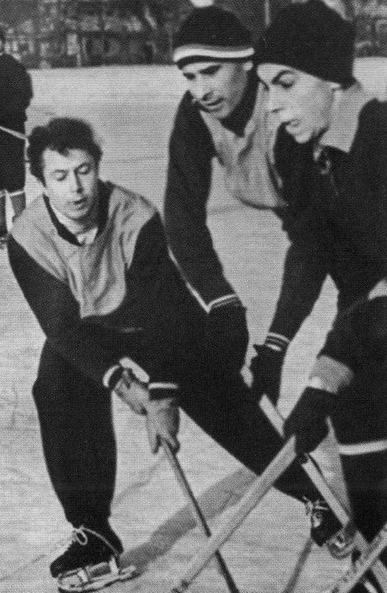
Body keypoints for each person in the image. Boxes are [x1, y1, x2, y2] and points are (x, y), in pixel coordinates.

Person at [8, 117, 336, 591]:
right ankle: (93, 531)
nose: (75, 188)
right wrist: (125, 385)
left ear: (97, 168)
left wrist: (162, 396)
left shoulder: (135, 215)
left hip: (158, 318)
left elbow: (163, 313)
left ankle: (311, 492)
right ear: (42, 181)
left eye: (83, 171)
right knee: (57, 385)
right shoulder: (27, 235)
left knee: (217, 393)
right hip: (88, 328)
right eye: (60, 176)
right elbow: (60, 327)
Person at [164, 4, 351, 557]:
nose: (200, 89)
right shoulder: (195, 115)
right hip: (320, 230)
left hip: (359, 226)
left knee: (356, 369)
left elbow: (314, 243)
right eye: (189, 75)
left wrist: (275, 344)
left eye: (212, 72)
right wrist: (221, 301)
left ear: (247, 64)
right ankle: (320, 494)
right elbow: (182, 220)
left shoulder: (283, 114)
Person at [254, 1, 387, 591]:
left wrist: (326, 375)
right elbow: (311, 251)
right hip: (364, 329)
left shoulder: (382, 138)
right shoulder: (301, 151)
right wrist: (275, 346)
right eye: (265, 87)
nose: (272, 104)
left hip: (371, 326)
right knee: (370, 504)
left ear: (333, 79)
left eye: (286, 83)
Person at [0, 24, 32, 244]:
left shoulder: (13, 67)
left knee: (13, 176)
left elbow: (23, 96)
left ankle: (21, 225)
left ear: (3, 43)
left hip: (10, 130)